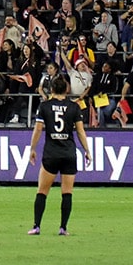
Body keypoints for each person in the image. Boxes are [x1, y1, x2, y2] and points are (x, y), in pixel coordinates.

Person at [22, 74, 90, 235]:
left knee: (42, 191)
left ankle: (37, 226)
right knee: (67, 192)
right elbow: (80, 131)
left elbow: (38, 129)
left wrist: (32, 148)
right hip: (69, 154)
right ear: (66, 89)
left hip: (51, 153)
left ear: (52, 89)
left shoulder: (45, 106)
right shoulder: (74, 107)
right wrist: (87, 150)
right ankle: (63, 228)